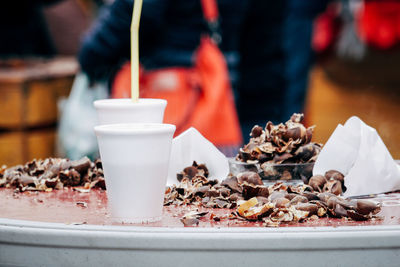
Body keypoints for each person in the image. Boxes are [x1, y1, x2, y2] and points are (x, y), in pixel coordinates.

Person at [78, 0, 328, 150]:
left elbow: (127, 21)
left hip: (172, 102)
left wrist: (90, 57)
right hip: (234, 109)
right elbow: (268, 50)